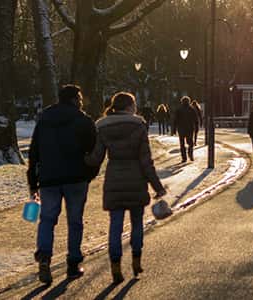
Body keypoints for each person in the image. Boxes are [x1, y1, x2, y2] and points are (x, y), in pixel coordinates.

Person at [85, 92, 167, 283]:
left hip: (114, 179)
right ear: (130, 106)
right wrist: (157, 187)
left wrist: (81, 158)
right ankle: (136, 261)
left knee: (115, 225)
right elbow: (146, 161)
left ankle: (115, 266)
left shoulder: (103, 127)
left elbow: (96, 157)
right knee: (137, 223)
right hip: (136, 180)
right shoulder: (138, 126)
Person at [27, 84, 98, 284]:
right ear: (75, 99)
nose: (82, 101)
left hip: (48, 178)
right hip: (76, 178)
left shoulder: (44, 121)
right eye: (80, 98)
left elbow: (34, 152)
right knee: (75, 221)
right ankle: (73, 264)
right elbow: (94, 151)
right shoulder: (83, 121)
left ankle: (44, 256)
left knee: (47, 219)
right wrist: (89, 174)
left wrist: (33, 181)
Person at [173, 96, 201, 162]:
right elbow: (196, 119)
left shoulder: (179, 109)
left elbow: (175, 120)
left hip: (181, 129)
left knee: (182, 144)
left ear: (182, 101)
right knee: (190, 143)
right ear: (189, 101)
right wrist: (197, 127)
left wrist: (174, 129)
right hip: (190, 128)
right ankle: (190, 153)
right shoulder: (192, 109)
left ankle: (184, 158)